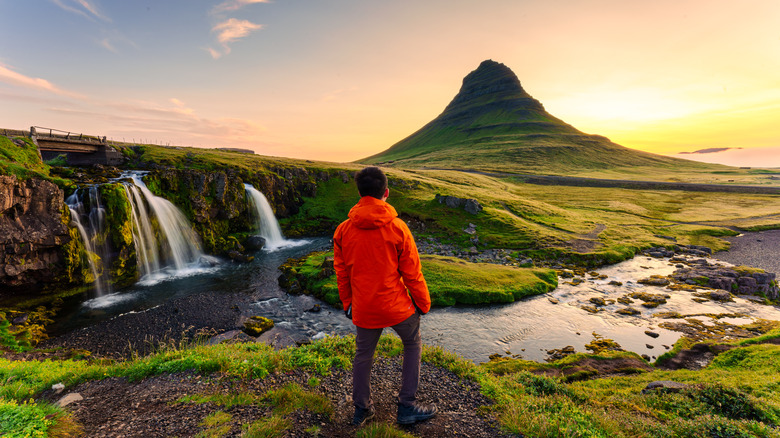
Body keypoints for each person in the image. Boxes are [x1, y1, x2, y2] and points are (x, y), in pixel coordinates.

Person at [333, 166, 437, 426]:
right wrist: (423, 303)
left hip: (365, 308)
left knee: (363, 355)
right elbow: (412, 272)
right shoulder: (398, 228)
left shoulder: (343, 230)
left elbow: (341, 273)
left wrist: (348, 304)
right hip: (397, 307)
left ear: (359, 192)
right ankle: (407, 406)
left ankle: (362, 410)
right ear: (386, 193)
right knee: (412, 344)